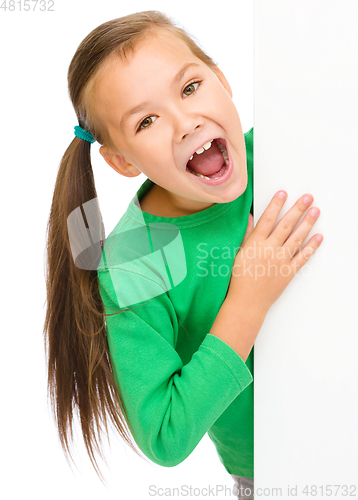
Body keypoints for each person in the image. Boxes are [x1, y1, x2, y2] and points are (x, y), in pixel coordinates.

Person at [43, 11, 323, 499]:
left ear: (222, 78)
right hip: (282, 473)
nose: (185, 121)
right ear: (122, 159)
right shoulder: (137, 260)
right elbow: (165, 434)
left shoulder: (286, 150)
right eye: (147, 120)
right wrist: (247, 301)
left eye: (190, 87)